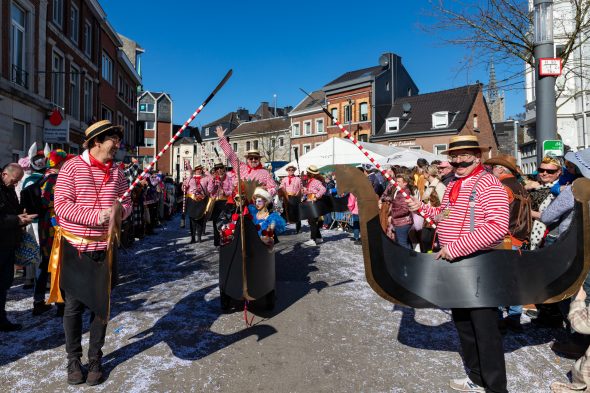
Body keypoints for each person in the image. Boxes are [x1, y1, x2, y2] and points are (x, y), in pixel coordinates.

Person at [407, 135, 509, 393]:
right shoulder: (455, 182)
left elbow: (498, 227)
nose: (459, 160)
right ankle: (476, 378)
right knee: (464, 325)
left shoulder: (489, 183)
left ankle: (496, 388)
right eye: (455, 156)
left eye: (465, 155)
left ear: (478, 156)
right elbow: (444, 217)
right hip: (455, 263)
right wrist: (420, 207)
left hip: (478, 264)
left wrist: (455, 247)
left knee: (485, 330)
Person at [52, 120, 132, 386]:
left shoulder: (118, 172)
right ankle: (73, 360)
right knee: (73, 308)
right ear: (97, 141)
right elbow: (62, 206)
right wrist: (97, 216)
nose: (118, 146)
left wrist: (120, 212)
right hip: (76, 249)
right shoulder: (71, 167)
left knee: (101, 308)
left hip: (104, 250)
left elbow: (127, 202)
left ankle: (95, 359)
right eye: (114, 140)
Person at [485, 154, 532, 333]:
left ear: (500, 169)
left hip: (503, 239)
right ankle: (514, 318)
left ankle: (497, 321)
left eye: (492, 168)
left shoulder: (501, 187)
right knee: (513, 281)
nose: (490, 171)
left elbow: (495, 216)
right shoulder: (521, 186)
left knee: (498, 282)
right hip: (518, 239)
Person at [34, 149, 73, 316]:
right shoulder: (54, 179)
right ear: (60, 163)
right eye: (66, 162)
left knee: (47, 261)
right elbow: (45, 201)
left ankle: (40, 300)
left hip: (47, 223)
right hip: (54, 224)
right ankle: (60, 302)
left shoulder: (45, 177)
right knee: (57, 261)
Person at [0, 163, 37, 331]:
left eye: (18, 182)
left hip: (8, 243)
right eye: (15, 181)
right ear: (4, 174)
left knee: (4, 283)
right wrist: (17, 220)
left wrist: (21, 216)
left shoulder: (8, 189)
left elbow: (11, 212)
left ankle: (1, 318)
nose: (16, 185)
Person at [215, 126, 277, 196]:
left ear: (259, 159)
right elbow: (231, 155)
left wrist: (264, 191)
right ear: (247, 160)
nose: (253, 160)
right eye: (251, 158)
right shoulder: (241, 167)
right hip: (241, 203)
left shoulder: (265, 173)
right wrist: (222, 139)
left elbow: (274, 188)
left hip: (257, 203)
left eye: (256, 158)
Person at [526, 156, 562, 250]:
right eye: (541, 170)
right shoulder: (534, 185)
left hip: (547, 237)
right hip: (526, 233)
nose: (544, 173)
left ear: (558, 172)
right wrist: (525, 188)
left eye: (550, 171)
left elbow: (552, 216)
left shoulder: (560, 190)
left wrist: (527, 212)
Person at [382, 170, 414, 249]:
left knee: (402, 243)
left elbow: (405, 209)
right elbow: (396, 201)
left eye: (399, 182)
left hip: (403, 222)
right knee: (402, 242)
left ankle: (406, 260)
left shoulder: (405, 193)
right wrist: (388, 199)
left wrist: (392, 215)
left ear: (405, 183)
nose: (397, 183)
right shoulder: (399, 191)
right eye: (396, 181)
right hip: (399, 221)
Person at [420, 165, 446, 253]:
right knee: (425, 241)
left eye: (424, 172)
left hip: (436, 219)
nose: (422, 174)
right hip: (427, 218)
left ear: (428, 173)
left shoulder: (440, 186)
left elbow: (445, 205)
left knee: (433, 244)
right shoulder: (427, 185)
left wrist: (441, 218)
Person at [208, 161, 234, 247]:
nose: (219, 170)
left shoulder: (228, 178)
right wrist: (213, 181)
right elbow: (209, 190)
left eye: (220, 168)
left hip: (225, 203)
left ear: (223, 169)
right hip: (215, 202)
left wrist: (225, 192)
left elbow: (232, 191)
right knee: (216, 222)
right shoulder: (213, 179)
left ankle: (226, 238)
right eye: (217, 168)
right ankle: (217, 241)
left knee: (225, 221)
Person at [185, 165, 210, 243]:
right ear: (195, 170)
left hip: (202, 200)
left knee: (200, 219)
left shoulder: (206, 178)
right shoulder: (190, 178)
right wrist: (184, 185)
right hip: (192, 200)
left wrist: (208, 172)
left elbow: (210, 188)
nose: (199, 170)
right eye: (197, 169)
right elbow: (184, 187)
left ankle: (199, 237)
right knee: (192, 219)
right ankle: (193, 238)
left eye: (200, 169)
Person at [302, 165, 326, 246]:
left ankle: (313, 239)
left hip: (314, 203)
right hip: (309, 202)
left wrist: (316, 196)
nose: (307, 173)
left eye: (308, 172)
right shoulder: (310, 181)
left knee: (312, 221)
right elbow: (310, 191)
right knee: (312, 221)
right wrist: (305, 191)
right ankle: (319, 238)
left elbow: (323, 189)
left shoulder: (316, 181)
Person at [279, 165, 302, 233]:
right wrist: (282, 193)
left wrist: (297, 194)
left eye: (292, 170)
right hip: (287, 198)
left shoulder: (298, 179)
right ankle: (282, 227)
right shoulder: (285, 179)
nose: (291, 171)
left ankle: (298, 228)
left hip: (295, 198)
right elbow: (281, 187)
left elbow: (301, 188)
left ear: (294, 170)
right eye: (289, 170)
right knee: (285, 213)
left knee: (297, 213)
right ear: (287, 171)